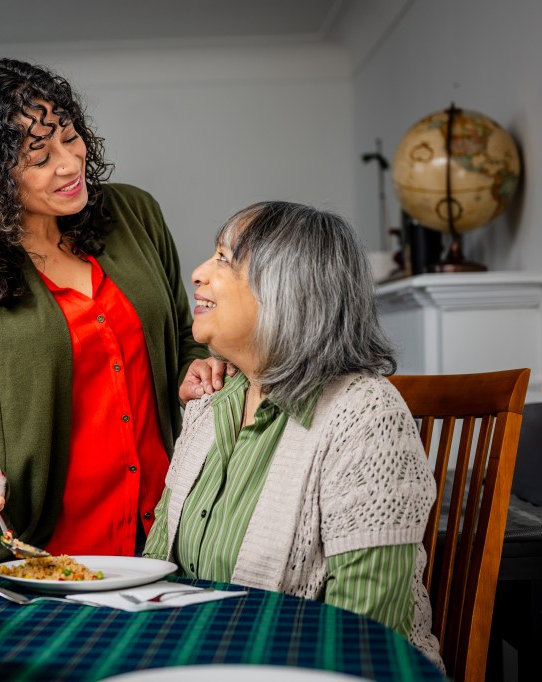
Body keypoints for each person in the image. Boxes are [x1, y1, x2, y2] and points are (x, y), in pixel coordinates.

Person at [0, 58, 229, 562]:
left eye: (69, 134)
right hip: (45, 552)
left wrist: (194, 367)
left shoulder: (136, 215)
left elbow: (183, 336)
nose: (68, 162)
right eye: (38, 157)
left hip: (169, 531)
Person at [142, 201, 443, 670]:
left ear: (287, 290)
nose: (198, 273)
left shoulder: (366, 417)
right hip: (204, 662)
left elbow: (363, 636)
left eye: (224, 258)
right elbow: (158, 569)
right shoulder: (210, 403)